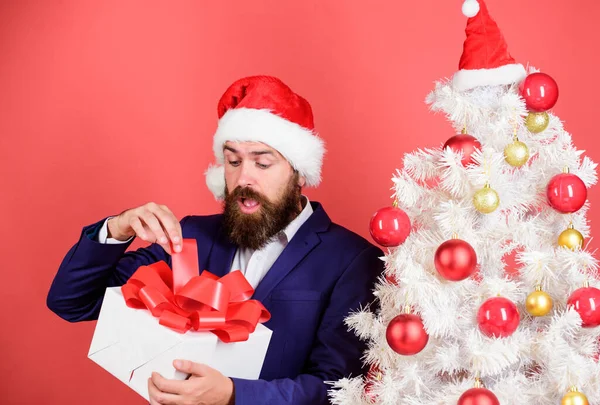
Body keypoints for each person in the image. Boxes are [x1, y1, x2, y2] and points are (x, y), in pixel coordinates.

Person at [47, 75, 384, 405]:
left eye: (262, 162)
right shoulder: (193, 235)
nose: (243, 178)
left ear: (298, 171)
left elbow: (337, 389)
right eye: (233, 160)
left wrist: (234, 395)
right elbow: (74, 302)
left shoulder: (353, 260)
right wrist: (117, 229)